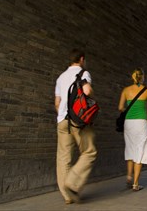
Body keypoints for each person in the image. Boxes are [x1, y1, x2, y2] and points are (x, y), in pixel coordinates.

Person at [54, 49, 97, 204]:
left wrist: (64, 114)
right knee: (89, 151)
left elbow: (57, 104)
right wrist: (92, 96)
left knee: (64, 157)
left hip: (62, 120)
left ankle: (67, 196)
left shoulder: (60, 78)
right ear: (82, 59)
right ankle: (72, 184)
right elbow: (87, 90)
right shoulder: (83, 73)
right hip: (79, 121)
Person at [118, 68, 147, 191]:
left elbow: (120, 107)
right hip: (141, 124)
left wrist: (129, 112)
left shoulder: (126, 90)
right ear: (142, 77)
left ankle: (129, 176)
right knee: (140, 151)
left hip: (128, 124)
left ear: (133, 77)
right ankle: (135, 184)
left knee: (130, 148)